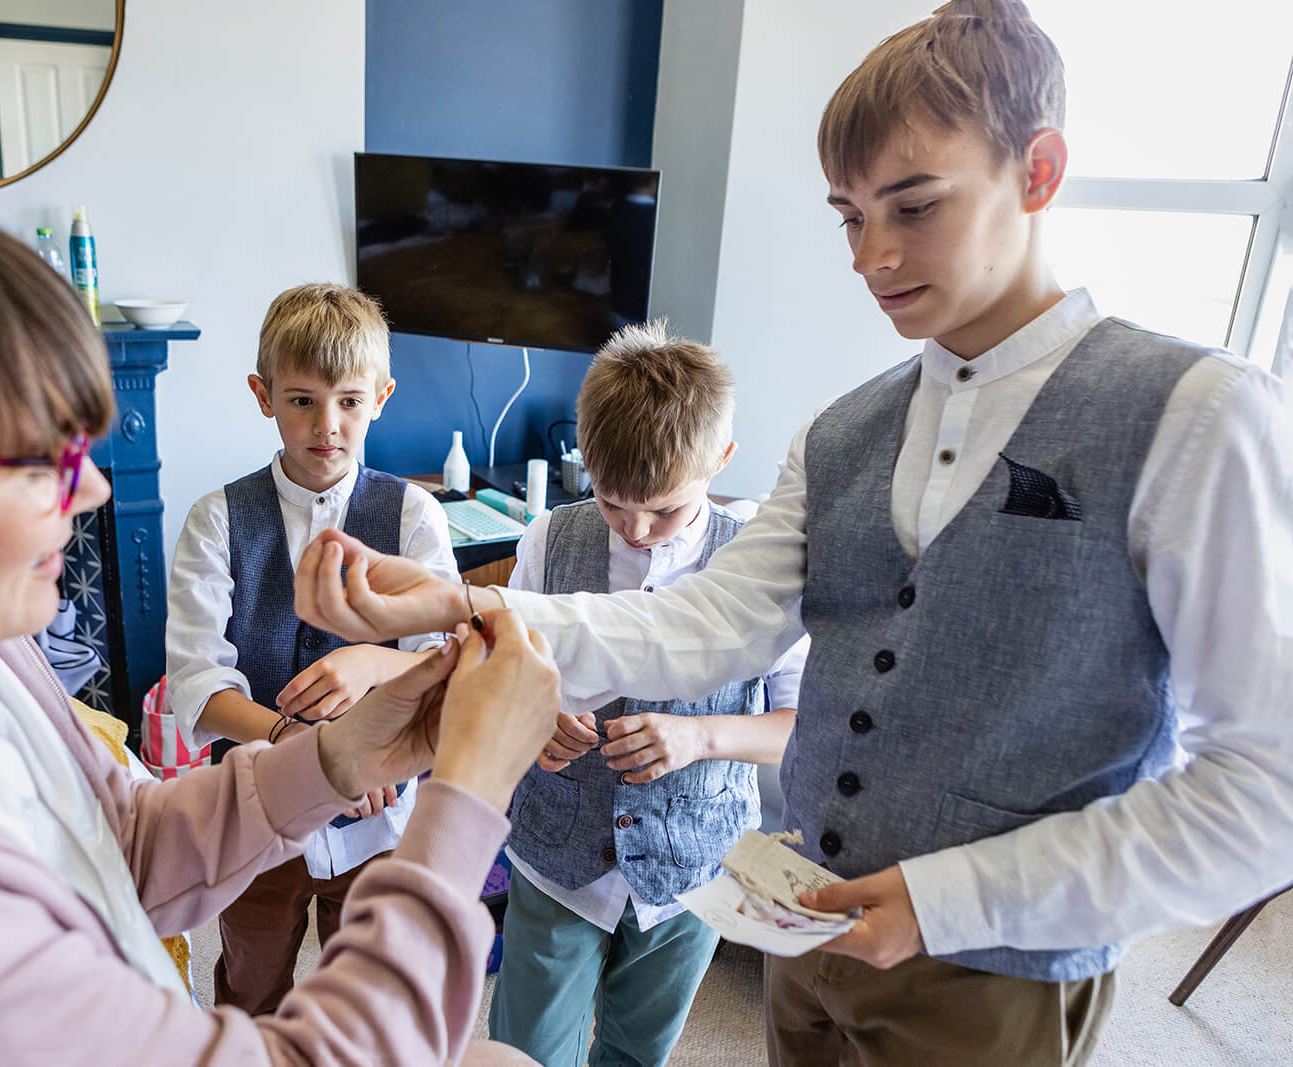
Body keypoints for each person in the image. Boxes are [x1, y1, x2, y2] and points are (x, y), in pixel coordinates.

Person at [289, 2, 1293, 1064]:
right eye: (849, 217)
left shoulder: (1199, 415)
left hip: (1002, 970)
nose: (873, 257)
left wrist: (946, 898)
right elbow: (705, 623)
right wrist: (466, 600)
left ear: (1037, 173)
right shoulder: (842, 431)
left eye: (913, 206)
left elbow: (1265, 788)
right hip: (802, 933)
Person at [0, 170, 555, 1065]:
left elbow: (123, 841)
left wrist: (339, 757)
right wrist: (467, 797)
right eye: (37, 464)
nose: (93, 491)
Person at [487, 321, 805, 1066]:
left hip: (695, 867)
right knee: (525, 1051)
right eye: (610, 501)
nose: (635, 529)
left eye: (664, 510)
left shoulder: (759, 563)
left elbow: (805, 723)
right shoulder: (550, 540)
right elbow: (501, 674)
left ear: (720, 459)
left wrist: (702, 737)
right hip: (556, 857)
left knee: (639, 1052)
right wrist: (538, 716)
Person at [163, 281, 460, 1014]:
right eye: (302, 401)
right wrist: (300, 746)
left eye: (349, 402)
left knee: (365, 1001)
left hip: (380, 819)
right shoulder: (216, 519)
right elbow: (196, 679)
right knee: (250, 986)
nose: (327, 425)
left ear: (381, 398)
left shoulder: (414, 514)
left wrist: (377, 666)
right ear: (263, 395)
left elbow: (450, 655)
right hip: (256, 814)